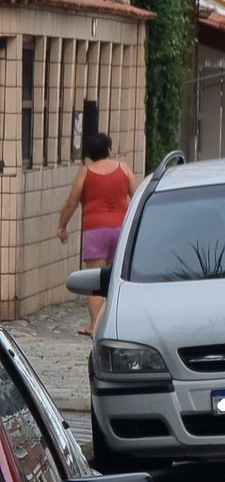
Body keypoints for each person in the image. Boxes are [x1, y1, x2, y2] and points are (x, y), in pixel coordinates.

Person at [56, 133, 138, 336]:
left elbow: (71, 202)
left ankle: (94, 325)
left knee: (95, 279)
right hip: (121, 228)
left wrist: (62, 226)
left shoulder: (85, 172)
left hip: (95, 229)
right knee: (118, 277)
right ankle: (118, 325)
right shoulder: (124, 169)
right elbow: (136, 197)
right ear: (109, 149)